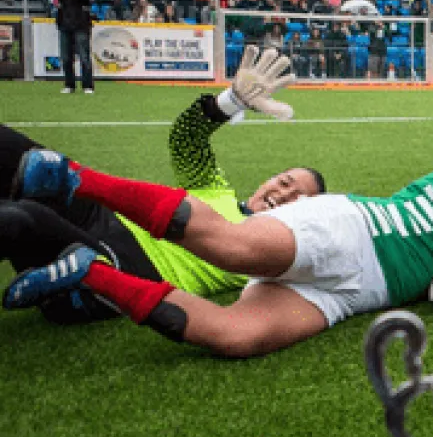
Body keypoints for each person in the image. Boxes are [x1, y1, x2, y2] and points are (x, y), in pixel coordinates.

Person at [6, 141, 433, 358]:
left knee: (237, 337)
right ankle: (76, 179)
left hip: (355, 294)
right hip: (353, 231)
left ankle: (89, 274)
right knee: (232, 248)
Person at [1, 48, 319, 325]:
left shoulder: (268, 254)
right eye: (285, 182)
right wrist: (231, 101)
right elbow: (186, 141)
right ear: (267, 180)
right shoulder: (216, 187)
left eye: (299, 199)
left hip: (125, 268)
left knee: (20, 218)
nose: (284, 194)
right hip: (102, 214)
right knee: (24, 157)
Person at [49, 0, 95, 95]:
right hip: (64, 23)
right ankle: (69, 84)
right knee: (66, 57)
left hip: (80, 23)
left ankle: (87, 85)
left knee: (83, 55)